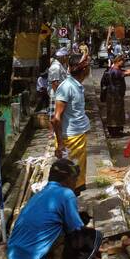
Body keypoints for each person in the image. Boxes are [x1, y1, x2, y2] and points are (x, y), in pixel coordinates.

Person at [7, 158, 102, 259]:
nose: (76, 183)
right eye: (75, 179)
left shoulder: (40, 194)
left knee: (67, 226)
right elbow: (76, 230)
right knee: (91, 237)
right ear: (68, 179)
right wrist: (93, 250)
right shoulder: (66, 194)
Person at [52, 51, 91, 190]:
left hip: (77, 136)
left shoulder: (76, 85)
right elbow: (56, 119)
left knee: (76, 174)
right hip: (70, 139)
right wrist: (60, 144)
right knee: (69, 176)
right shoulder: (67, 87)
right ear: (84, 69)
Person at [101, 52, 130, 137]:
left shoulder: (115, 68)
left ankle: (118, 130)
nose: (124, 63)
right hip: (114, 96)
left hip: (116, 95)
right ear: (118, 61)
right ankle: (114, 132)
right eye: (122, 61)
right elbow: (127, 73)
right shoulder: (115, 71)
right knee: (114, 113)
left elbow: (127, 71)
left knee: (118, 112)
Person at [46, 46, 69, 111]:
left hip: (60, 95)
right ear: (63, 57)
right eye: (67, 56)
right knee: (56, 116)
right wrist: (59, 98)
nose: (67, 58)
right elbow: (54, 84)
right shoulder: (56, 67)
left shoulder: (61, 65)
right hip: (57, 96)